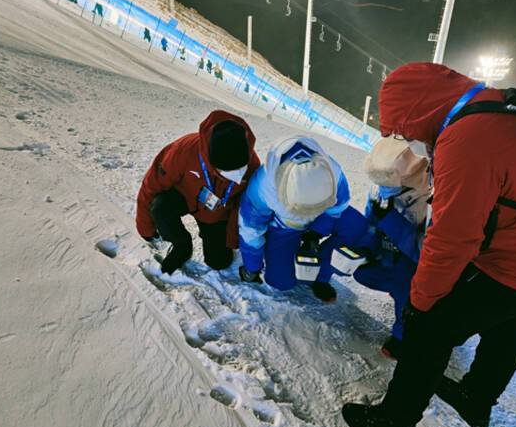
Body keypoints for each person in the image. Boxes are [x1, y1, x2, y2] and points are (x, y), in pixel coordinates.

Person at [342, 62, 516, 427]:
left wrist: (422, 304)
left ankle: (396, 420)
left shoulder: (467, 138)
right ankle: (477, 399)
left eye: (403, 129)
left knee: (432, 330)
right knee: (509, 324)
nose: (409, 140)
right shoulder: (499, 103)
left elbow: (451, 240)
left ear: (417, 110)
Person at [238, 136, 367, 302]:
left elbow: (338, 206)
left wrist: (316, 233)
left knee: (357, 227)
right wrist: (252, 266)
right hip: (286, 226)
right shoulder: (262, 186)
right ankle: (288, 259)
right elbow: (251, 229)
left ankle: (321, 275)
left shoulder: (332, 170)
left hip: (324, 215)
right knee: (280, 282)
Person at [136, 110, 260, 275]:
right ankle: (182, 245)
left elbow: (241, 207)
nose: (236, 177)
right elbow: (151, 186)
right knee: (159, 207)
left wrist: (230, 239)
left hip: (216, 212)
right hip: (183, 197)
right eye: (227, 173)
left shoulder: (253, 167)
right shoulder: (183, 151)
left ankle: (209, 235)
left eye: (240, 170)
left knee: (218, 262)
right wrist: (145, 228)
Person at [353, 136, 431, 360]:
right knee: (360, 270)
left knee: (407, 287)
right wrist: (366, 244)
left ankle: (403, 336)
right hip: (388, 255)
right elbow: (370, 221)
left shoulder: (432, 201)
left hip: (411, 266)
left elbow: (425, 253)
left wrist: (392, 221)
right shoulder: (382, 186)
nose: (383, 189)